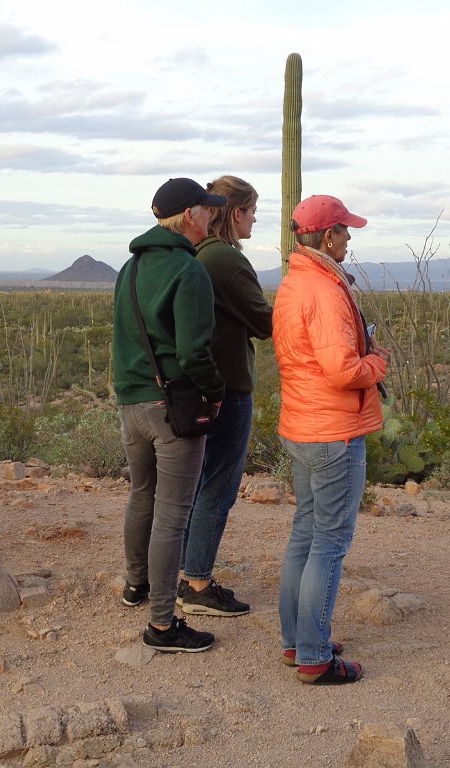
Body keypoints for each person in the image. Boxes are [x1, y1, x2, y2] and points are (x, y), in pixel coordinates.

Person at [272, 194, 390, 684]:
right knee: (330, 540)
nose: (348, 238)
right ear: (326, 237)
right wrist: (378, 363)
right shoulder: (324, 290)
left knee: (306, 531)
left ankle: (298, 639)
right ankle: (315, 657)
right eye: (344, 231)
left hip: (302, 424)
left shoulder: (295, 282)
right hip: (332, 432)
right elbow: (343, 370)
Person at [112, 177, 227, 653]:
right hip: (173, 408)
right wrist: (216, 392)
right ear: (190, 216)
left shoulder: (129, 268)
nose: (212, 217)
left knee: (143, 493)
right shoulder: (189, 270)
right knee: (173, 515)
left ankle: (135, 585)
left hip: (131, 404)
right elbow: (194, 351)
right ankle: (162, 626)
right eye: (207, 209)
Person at [178, 176, 273, 617]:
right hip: (228, 386)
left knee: (195, 483)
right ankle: (197, 582)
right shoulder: (226, 260)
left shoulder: (196, 254)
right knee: (218, 485)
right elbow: (265, 323)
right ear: (236, 213)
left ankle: (181, 574)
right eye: (252, 211)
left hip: (194, 387)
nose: (256, 219)